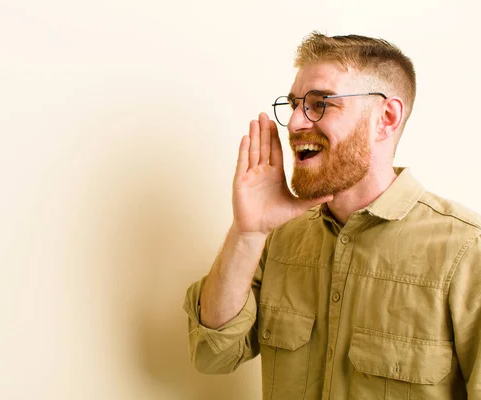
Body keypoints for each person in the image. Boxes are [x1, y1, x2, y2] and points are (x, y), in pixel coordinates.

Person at [183, 31, 481, 399]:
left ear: (385, 118)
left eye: (320, 103)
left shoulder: (467, 251)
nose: (293, 123)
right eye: (294, 104)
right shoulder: (277, 237)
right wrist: (247, 233)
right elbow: (213, 354)